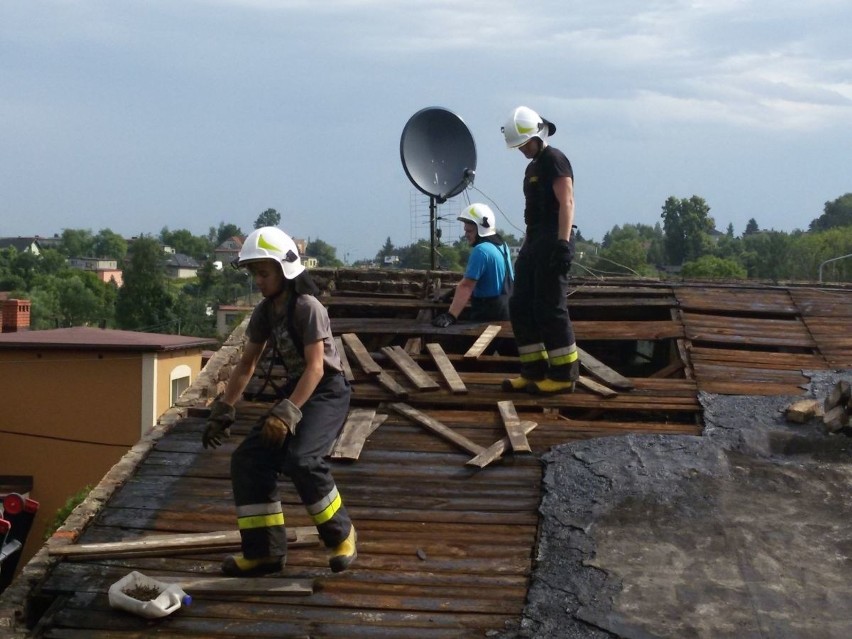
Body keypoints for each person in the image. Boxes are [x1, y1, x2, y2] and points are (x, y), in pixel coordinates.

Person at [202, 226, 356, 576]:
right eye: (254, 272)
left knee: (302, 460)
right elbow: (247, 364)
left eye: (264, 272)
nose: (258, 280)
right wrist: (224, 409)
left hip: (328, 390)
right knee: (248, 460)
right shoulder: (264, 312)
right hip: (298, 390)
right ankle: (265, 552)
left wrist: (287, 412)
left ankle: (341, 536)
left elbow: (317, 368)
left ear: (285, 269)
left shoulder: (308, 307)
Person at [500, 106, 579, 394]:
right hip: (534, 239)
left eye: (524, 144)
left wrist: (562, 244)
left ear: (536, 135)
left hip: (553, 237)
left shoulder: (555, 160)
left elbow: (567, 203)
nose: (521, 150)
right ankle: (532, 370)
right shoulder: (532, 166)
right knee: (520, 304)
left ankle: (563, 376)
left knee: (550, 307)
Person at [432, 202, 514, 327]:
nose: (466, 235)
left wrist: (451, 315)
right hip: (508, 310)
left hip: (488, 315)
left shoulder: (481, 250)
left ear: (481, 229)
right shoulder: (502, 246)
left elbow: (466, 286)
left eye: (469, 231)